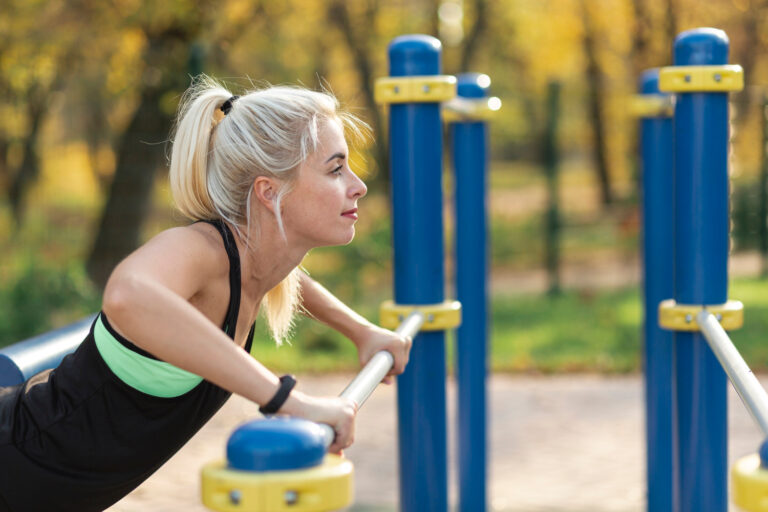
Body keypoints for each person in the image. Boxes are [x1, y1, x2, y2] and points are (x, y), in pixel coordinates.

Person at [0, 76, 412, 512]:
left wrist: (361, 331)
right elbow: (125, 294)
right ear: (269, 192)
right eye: (335, 168)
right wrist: (289, 401)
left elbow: (289, 280)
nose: (358, 185)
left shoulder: (252, 263)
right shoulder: (200, 249)